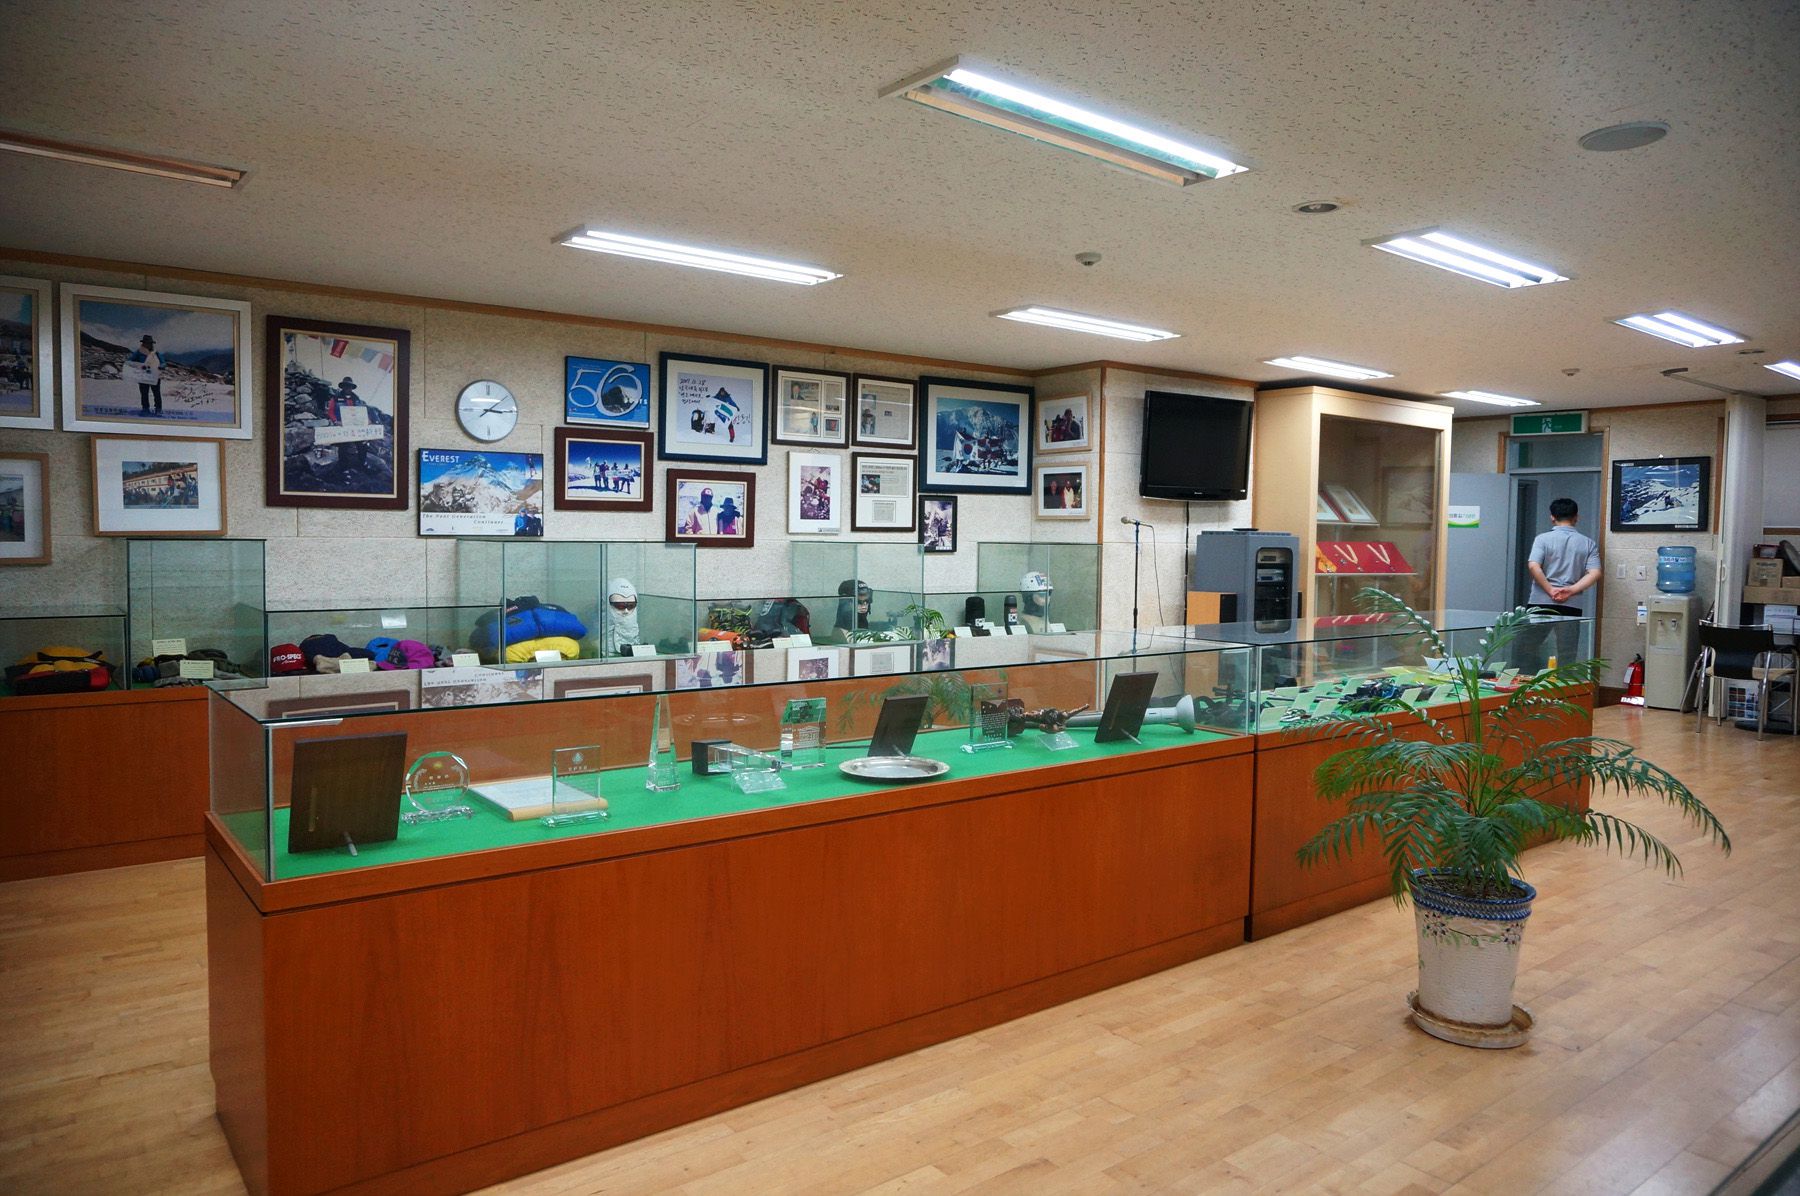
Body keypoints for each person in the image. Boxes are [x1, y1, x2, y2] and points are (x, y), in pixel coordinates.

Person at [1522, 497, 1601, 671]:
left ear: (1552, 517)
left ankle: (1528, 683)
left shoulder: (1542, 539)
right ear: (1576, 517)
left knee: (1528, 647)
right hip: (1571, 604)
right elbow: (1595, 573)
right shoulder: (1588, 543)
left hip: (1540, 602)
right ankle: (1564, 685)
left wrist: (1550, 589)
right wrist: (1571, 590)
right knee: (1567, 652)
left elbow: (1533, 565)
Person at [126, 335, 164, 414]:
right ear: (144, 343)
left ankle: (158, 409)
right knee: (144, 393)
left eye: (149, 343)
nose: (148, 344)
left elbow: (163, 362)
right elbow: (129, 361)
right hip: (143, 376)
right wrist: (137, 366)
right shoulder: (138, 352)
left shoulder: (155, 353)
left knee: (156, 393)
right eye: (147, 343)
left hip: (154, 375)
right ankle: (145, 409)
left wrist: (161, 366)